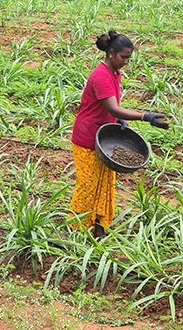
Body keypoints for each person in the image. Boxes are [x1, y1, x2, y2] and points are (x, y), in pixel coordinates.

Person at [70, 30, 168, 238]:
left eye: (128, 58)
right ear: (111, 53)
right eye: (123, 57)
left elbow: (111, 108)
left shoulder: (114, 73)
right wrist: (145, 116)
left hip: (104, 135)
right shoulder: (101, 75)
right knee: (88, 186)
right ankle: (76, 232)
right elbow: (113, 108)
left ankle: (99, 229)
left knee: (104, 184)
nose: (126, 62)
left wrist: (119, 120)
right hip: (88, 137)